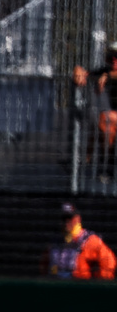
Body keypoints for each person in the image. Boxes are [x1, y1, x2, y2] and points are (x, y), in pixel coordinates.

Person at [73, 42, 117, 174]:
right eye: (111, 56)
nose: (114, 60)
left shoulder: (108, 74)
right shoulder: (106, 71)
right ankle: (108, 165)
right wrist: (77, 71)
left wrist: (108, 76)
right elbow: (84, 72)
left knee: (107, 118)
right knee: (104, 121)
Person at [46, 203, 116, 280]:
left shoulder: (89, 240)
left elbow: (108, 261)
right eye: (63, 218)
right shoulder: (54, 242)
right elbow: (44, 264)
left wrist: (101, 283)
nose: (66, 222)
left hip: (79, 286)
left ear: (78, 219)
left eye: (70, 218)